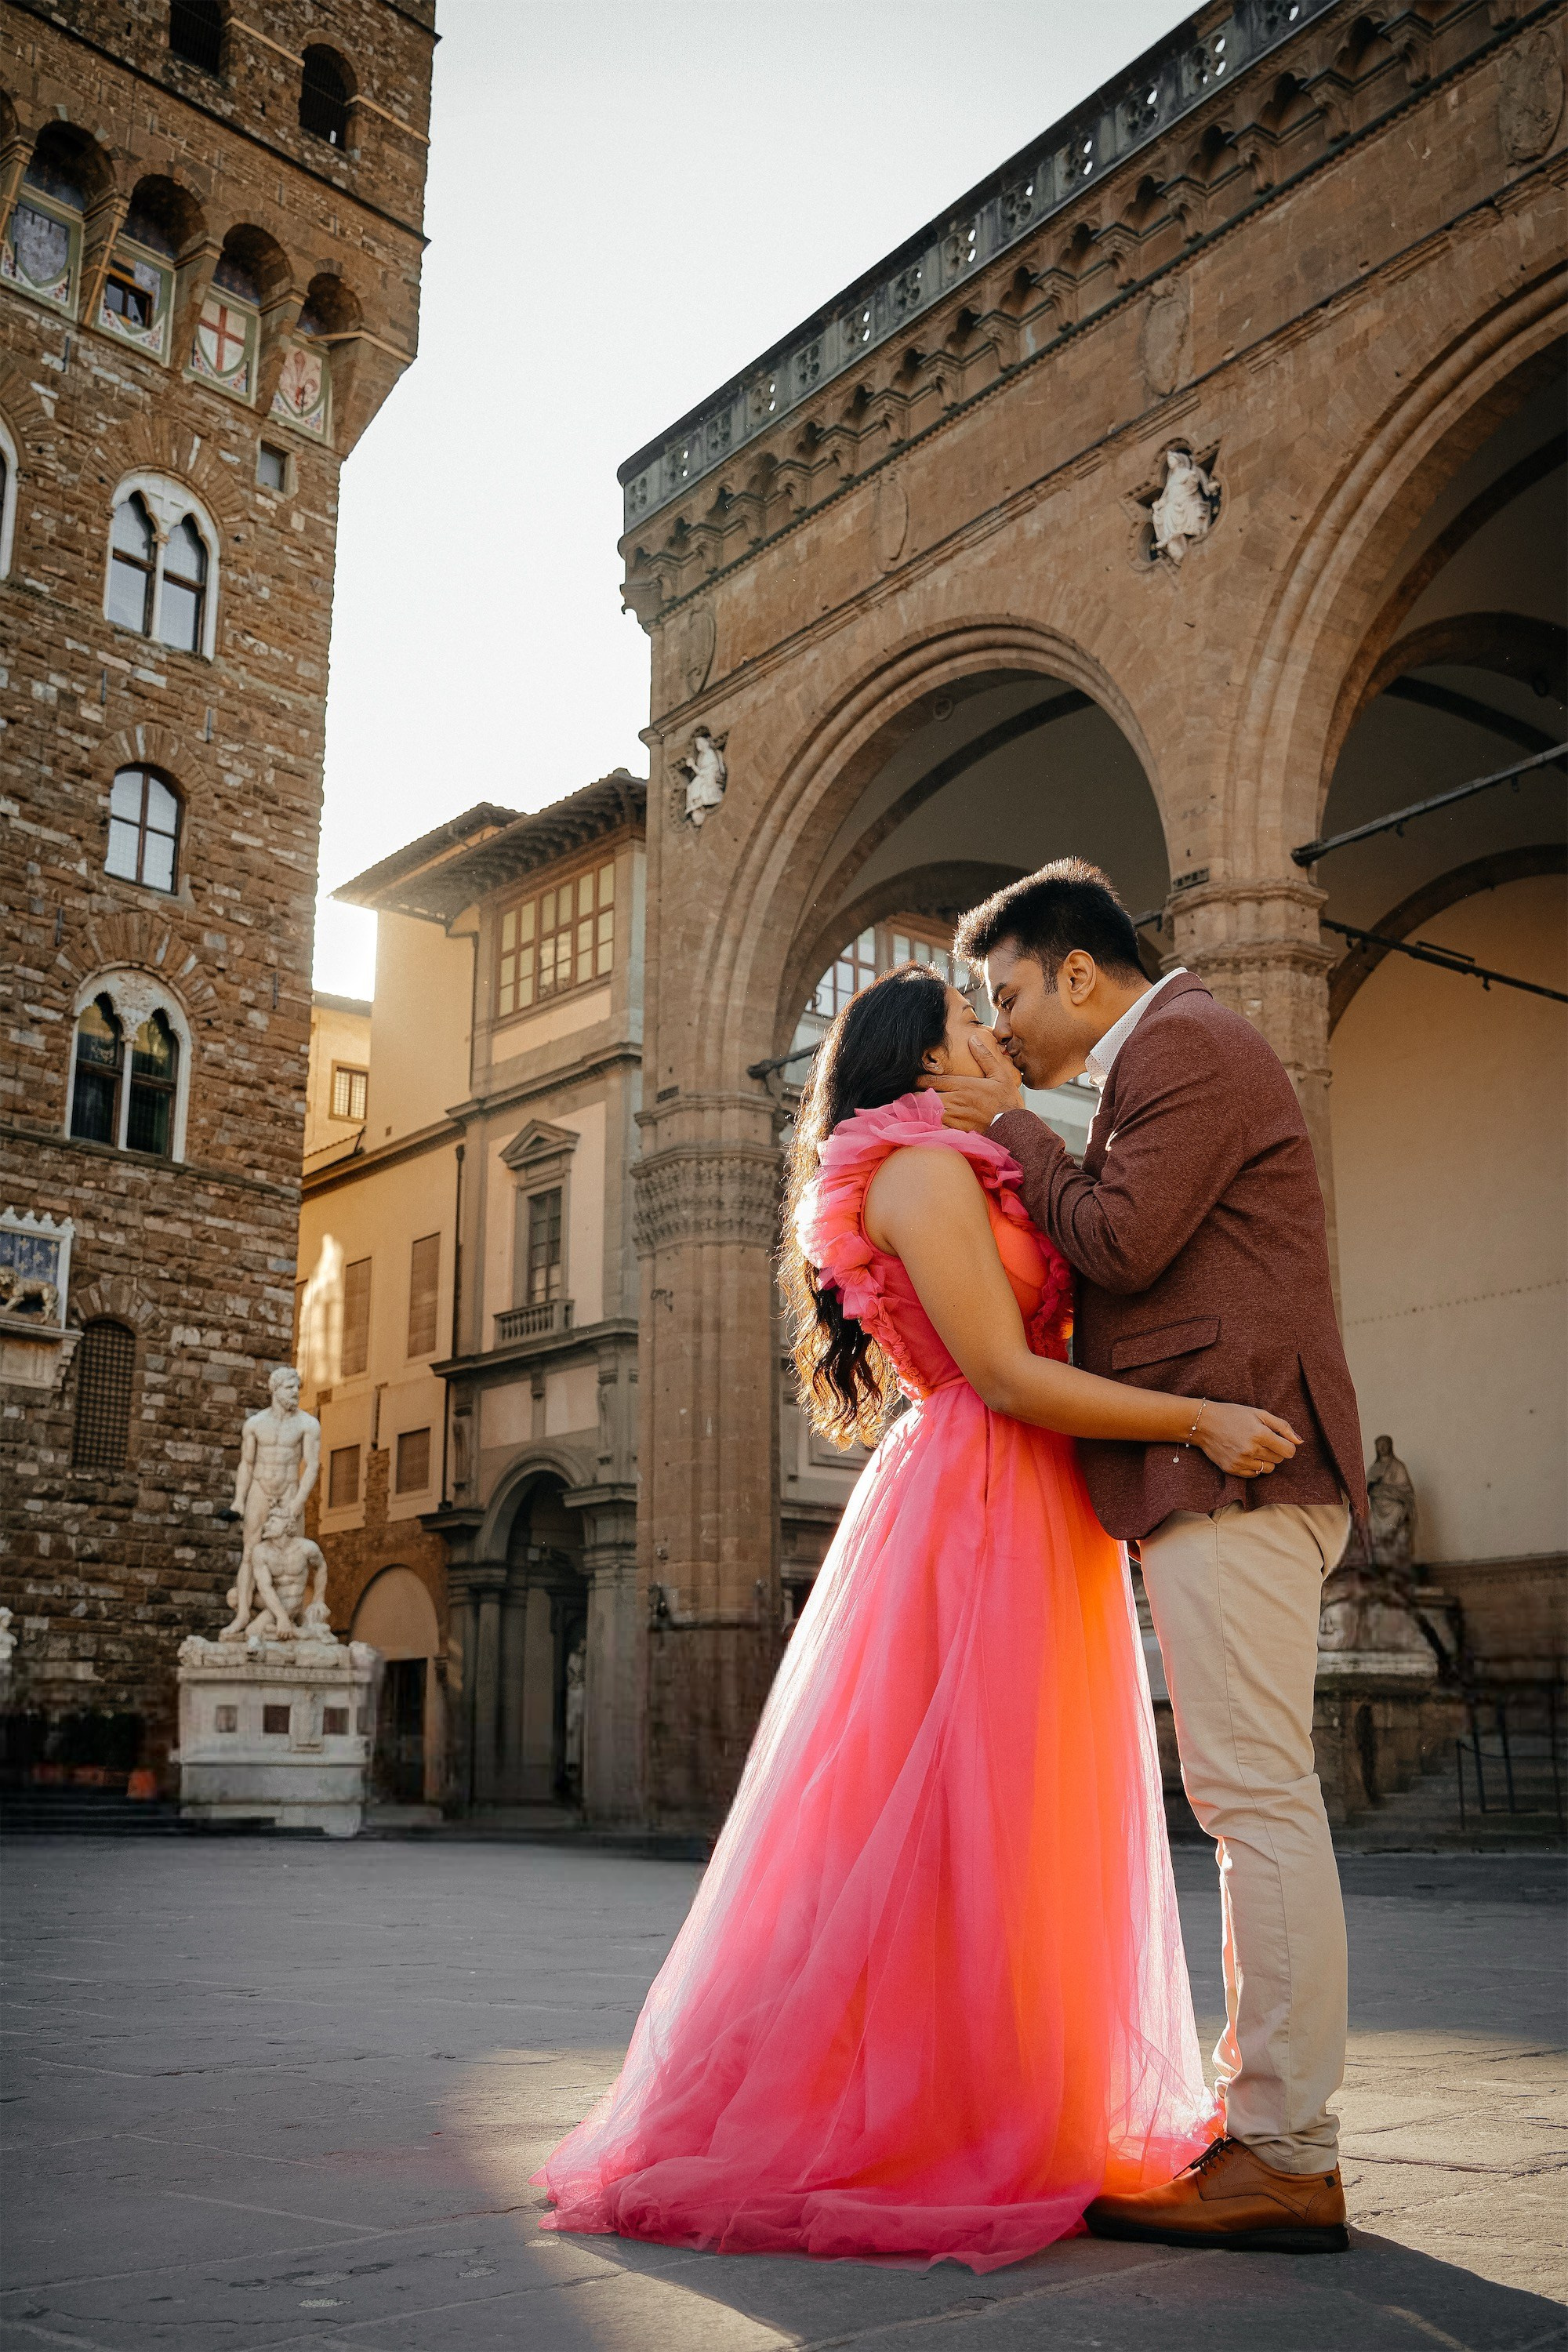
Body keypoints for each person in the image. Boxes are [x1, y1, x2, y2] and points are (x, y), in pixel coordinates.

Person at [534, 964, 1306, 2267]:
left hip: (1025, 1502)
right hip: (987, 1494)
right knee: (960, 1816)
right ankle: (923, 2112)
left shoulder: (957, 1161)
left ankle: (1010, 2094)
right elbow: (1006, 1373)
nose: (992, 1037)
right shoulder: (921, 1173)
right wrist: (1197, 1416)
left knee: (1015, 1819)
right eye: (966, 1025)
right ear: (912, 1059)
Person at [925, 858, 1367, 2256]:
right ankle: (1271, 2132)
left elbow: (1119, 1242)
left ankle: (1286, 2150)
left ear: (1076, 971)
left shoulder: (1188, 1043)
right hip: (1213, 1470)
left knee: (1254, 1801)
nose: (1000, 1033)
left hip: (1238, 1469)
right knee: (1249, 1798)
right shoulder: (1148, 1065)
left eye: (1008, 998)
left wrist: (1009, 1123)